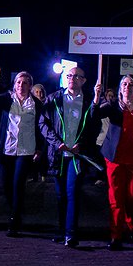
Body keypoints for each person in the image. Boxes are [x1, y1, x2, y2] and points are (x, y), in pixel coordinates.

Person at [92, 75, 133, 250]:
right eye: (124, 84)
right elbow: (94, 114)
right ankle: (116, 235)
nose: (127, 87)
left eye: (131, 84)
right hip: (115, 160)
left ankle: (132, 226)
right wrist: (96, 98)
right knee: (116, 198)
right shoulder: (113, 107)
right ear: (120, 89)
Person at [0, 70, 44, 237]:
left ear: (30, 86)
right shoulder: (6, 99)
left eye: (25, 83)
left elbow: (40, 128)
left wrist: (39, 148)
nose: (21, 86)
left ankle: (14, 219)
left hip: (25, 150)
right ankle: (16, 209)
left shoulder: (36, 105)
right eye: (18, 82)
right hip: (7, 149)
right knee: (6, 185)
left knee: (18, 184)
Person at [43, 66, 98, 247]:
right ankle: (61, 229)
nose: (72, 79)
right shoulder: (54, 99)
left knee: (72, 193)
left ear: (83, 80)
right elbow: (43, 123)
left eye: (76, 76)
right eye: (69, 76)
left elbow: (94, 127)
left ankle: (70, 233)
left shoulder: (90, 101)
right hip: (59, 155)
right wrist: (55, 142)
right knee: (61, 195)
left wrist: (81, 144)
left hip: (76, 156)